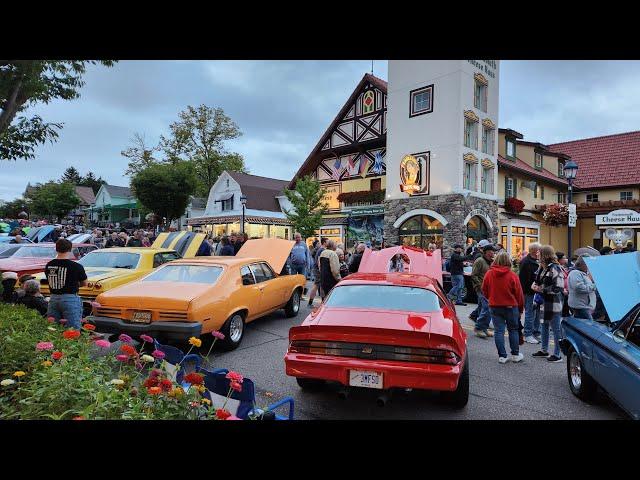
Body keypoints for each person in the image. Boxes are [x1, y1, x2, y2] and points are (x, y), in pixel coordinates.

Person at [482, 251, 525, 363]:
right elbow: (519, 295)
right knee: (513, 330)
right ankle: (515, 355)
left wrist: (491, 298)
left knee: (499, 331)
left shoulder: (489, 274)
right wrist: (520, 309)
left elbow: (484, 290)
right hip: (511, 306)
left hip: (495, 305)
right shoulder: (512, 276)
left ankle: (502, 356)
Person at [531, 245, 566, 363]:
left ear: (544, 255)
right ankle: (544, 350)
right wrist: (534, 285)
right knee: (544, 325)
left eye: (539, 253)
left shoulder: (555, 268)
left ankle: (557, 354)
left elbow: (558, 287)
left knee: (556, 328)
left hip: (553, 301)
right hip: (544, 301)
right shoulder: (543, 267)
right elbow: (538, 281)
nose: (537, 255)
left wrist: (540, 289)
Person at [44, 239, 88, 330]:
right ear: (70, 249)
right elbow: (84, 283)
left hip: (53, 298)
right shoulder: (76, 266)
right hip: (70, 298)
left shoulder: (49, 265)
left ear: (56, 249)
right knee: (72, 329)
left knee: (53, 328)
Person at [471, 241, 496, 338]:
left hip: (489, 289)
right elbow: (474, 275)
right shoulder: (480, 261)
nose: (493, 253)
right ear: (485, 252)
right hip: (481, 288)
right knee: (487, 308)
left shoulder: (491, 262)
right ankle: (478, 328)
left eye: (493, 251)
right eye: (491, 251)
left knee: (482, 308)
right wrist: (480, 286)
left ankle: (484, 328)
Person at [519, 242, 541, 344]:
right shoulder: (527, 262)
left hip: (534, 291)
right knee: (530, 312)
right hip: (529, 291)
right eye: (539, 250)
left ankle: (535, 331)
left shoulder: (534, 261)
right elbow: (525, 279)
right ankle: (528, 334)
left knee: (535, 312)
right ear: (535, 251)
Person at [568, 256, 597, 321]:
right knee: (589, 326)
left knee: (581, 326)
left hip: (583, 306)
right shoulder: (575, 273)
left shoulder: (581, 273)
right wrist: (594, 286)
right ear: (582, 264)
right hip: (580, 306)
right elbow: (579, 288)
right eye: (588, 263)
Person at [308, 237, 327, 307]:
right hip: (318, 270)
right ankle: (312, 303)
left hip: (317, 269)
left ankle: (312, 303)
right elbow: (319, 260)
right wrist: (320, 270)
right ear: (324, 242)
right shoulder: (322, 250)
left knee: (318, 286)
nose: (328, 243)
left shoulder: (321, 249)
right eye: (327, 241)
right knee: (317, 286)